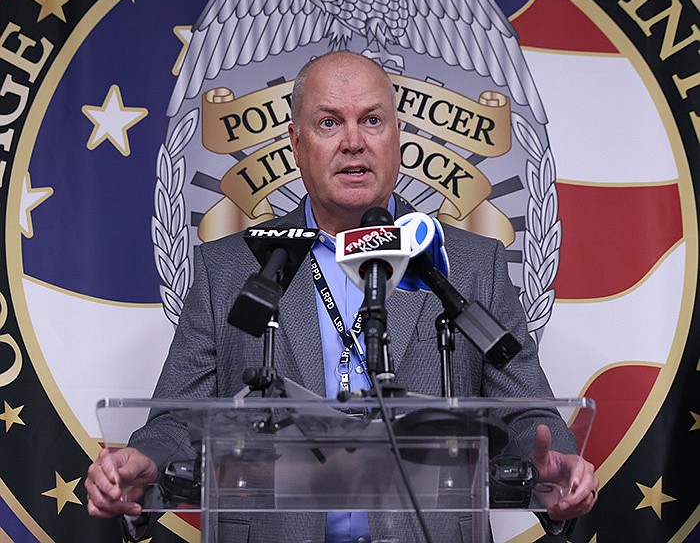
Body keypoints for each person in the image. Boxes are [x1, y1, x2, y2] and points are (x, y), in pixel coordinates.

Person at [86, 51, 598, 541]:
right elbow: (180, 419)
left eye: (372, 120)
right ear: (295, 142)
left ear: (397, 135)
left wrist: (554, 465)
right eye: (329, 122)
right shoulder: (229, 268)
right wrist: (146, 460)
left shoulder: (468, 265)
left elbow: (528, 411)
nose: (353, 142)